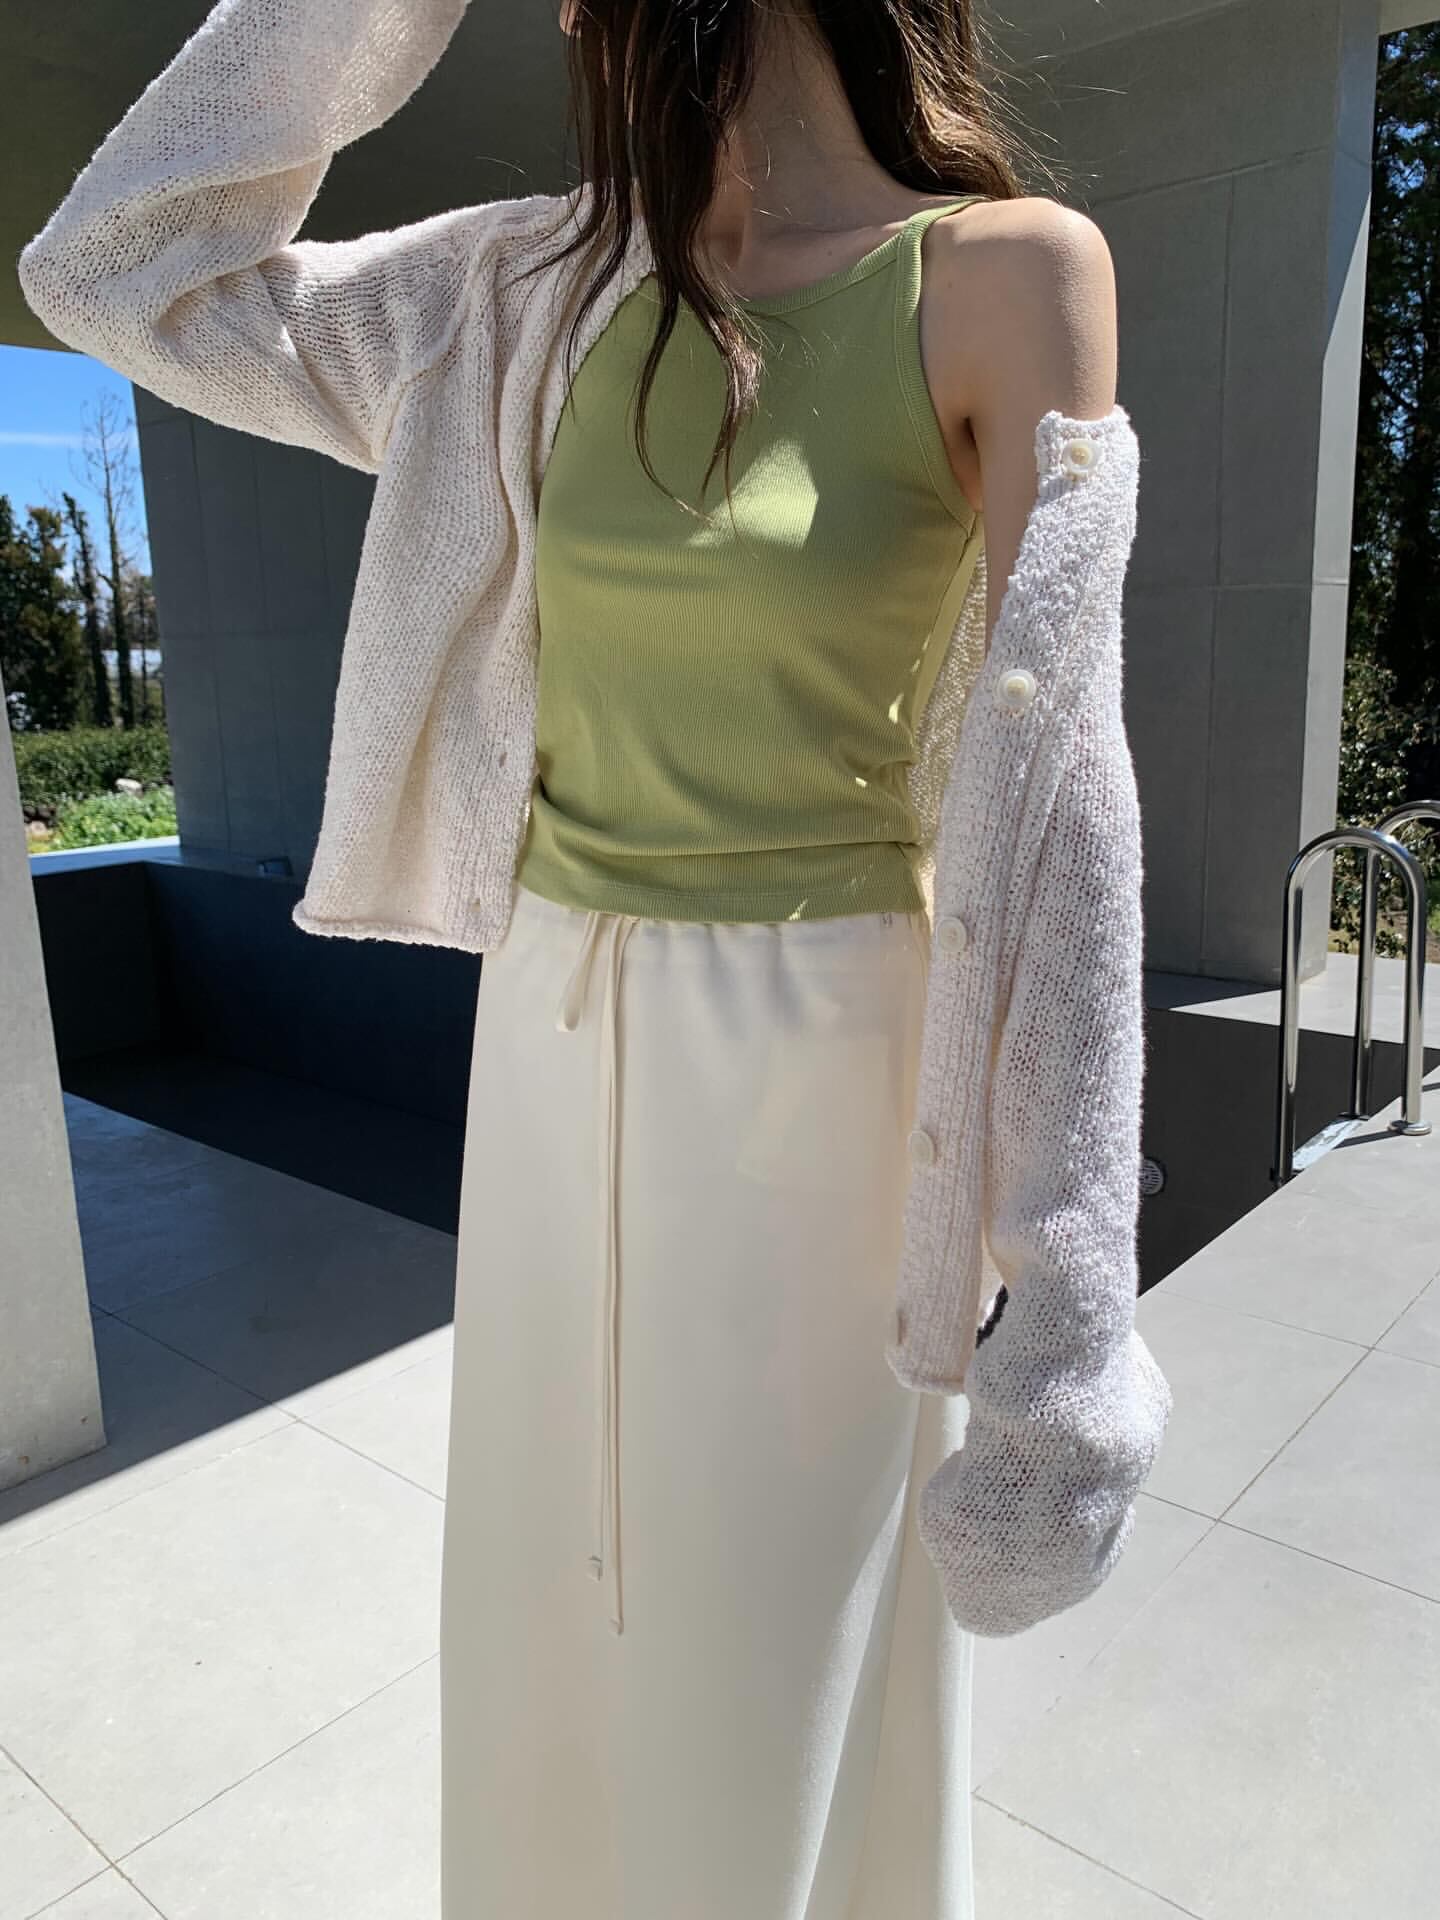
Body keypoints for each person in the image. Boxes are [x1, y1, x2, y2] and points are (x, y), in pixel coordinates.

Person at [17, 2, 1174, 1915]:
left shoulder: (1001, 277)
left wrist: (1069, 1316)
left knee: (764, 1664)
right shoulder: (524, 291)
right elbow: (116, 272)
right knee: (548, 1634)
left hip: (829, 1066)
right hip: (548, 1044)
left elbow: (1066, 800)